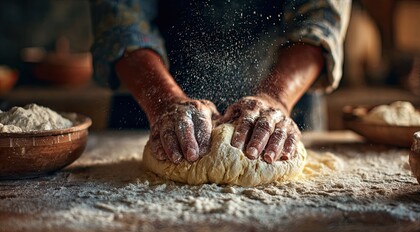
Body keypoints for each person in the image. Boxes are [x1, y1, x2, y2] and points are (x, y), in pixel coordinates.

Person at [91, 0, 351, 164]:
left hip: (284, 107)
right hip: (152, 105)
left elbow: (320, 20)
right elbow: (122, 23)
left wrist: (277, 98)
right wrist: (165, 101)